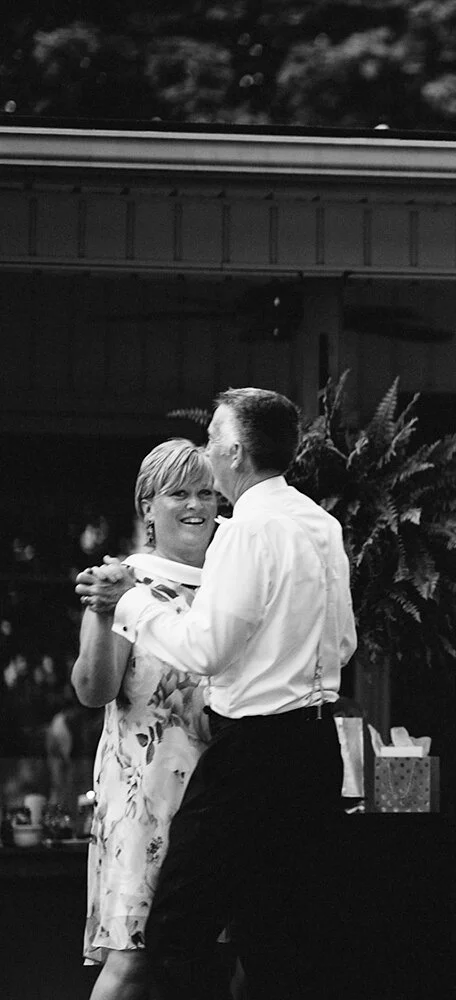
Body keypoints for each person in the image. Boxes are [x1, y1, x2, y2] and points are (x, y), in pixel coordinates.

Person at [76, 387, 357, 1000]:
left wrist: (128, 604)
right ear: (150, 507)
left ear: (232, 449)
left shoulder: (245, 532)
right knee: (280, 941)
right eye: (180, 491)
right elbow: (343, 645)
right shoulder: (322, 524)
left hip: (247, 757)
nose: (203, 489)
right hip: (310, 752)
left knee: (178, 933)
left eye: (211, 444)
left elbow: (206, 652)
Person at [70, 439, 218, 1000]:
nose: (195, 505)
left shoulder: (232, 586)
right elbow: (93, 689)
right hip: (145, 797)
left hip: (219, 794)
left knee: (217, 962)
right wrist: (107, 613)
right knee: (132, 962)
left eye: (207, 492)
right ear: (147, 508)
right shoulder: (121, 579)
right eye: (178, 492)